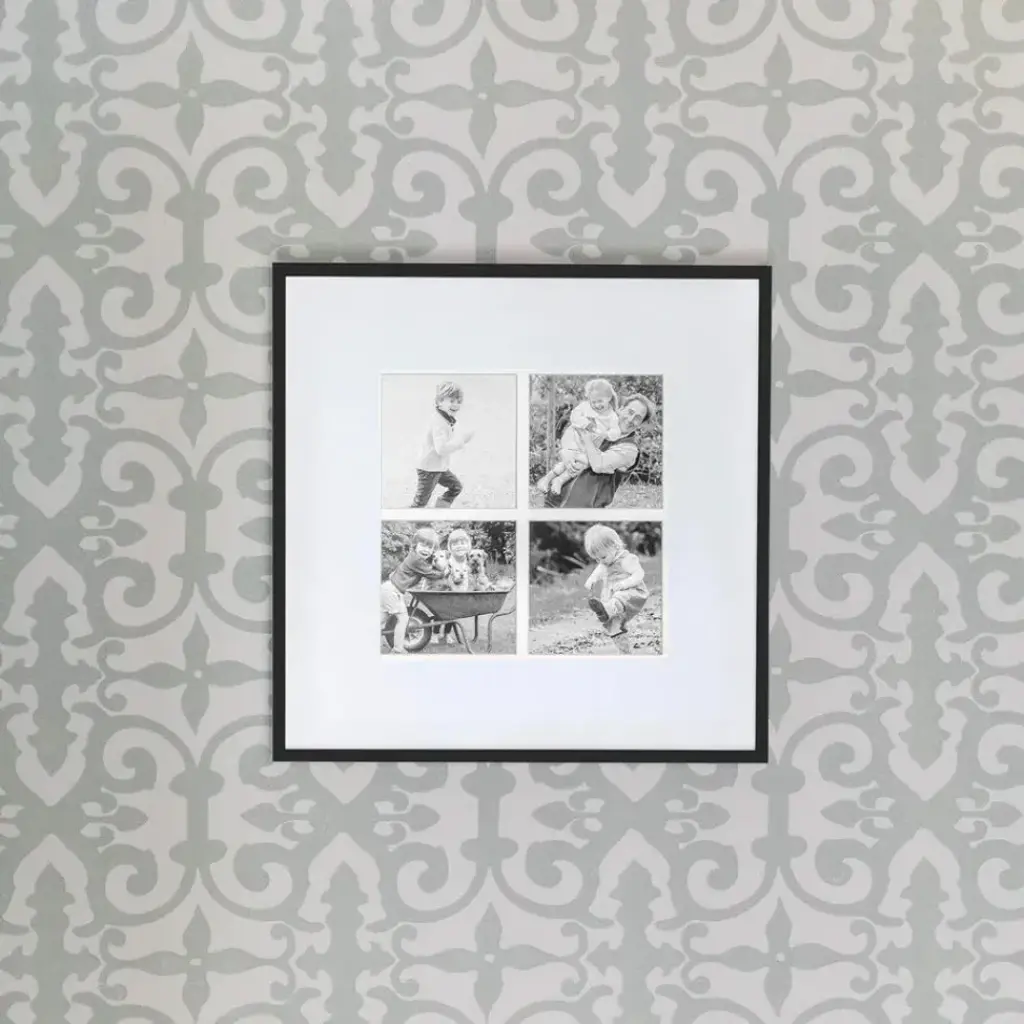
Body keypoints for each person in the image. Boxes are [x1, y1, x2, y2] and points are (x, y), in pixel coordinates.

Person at [543, 392, 657, 509]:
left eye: (638, 418)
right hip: (554, 500)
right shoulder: (603, 424)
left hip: (583, 510)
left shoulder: (629, 449)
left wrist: (586, 437)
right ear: (621, 409)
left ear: (640, 424)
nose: (630, 419)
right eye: (630, 412)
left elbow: (598, 464)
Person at [536, 378, 621, 496]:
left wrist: (606, 434)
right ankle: (547, 479)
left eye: (600, 401)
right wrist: (586, 424)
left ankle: (559, 480)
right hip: (574, 439)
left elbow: (616, 432)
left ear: (609, 398)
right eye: (594, 402)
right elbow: (574, 416)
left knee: (582, 463)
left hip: (589, 446)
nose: (597, 405)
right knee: (569, 459)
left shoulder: (612, 416)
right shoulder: (585, 407)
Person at [582, 524, 649, 655]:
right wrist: (591, 580)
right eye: (596, 559)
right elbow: (598, 571)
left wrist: (625, 584)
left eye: (603, 557)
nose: (601, 561)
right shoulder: (605, 563)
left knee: (619, 597)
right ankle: (624, 652)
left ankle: (608, 609)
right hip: (612, 597)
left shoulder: (626, 559)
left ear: (615, 546)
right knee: (613, 625)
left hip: (630, 593)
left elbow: (639, 573)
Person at [381, 527, 447, 654]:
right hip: (392, 591)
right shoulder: (416, 560)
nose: (426, 549)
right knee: (403, 619)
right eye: (423, 545)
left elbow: (429, 565)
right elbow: (431, 574)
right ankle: (397, 650)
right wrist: (444, 572)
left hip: (389, 589)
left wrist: (435, 560)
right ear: (415, 545)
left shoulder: (416, 557)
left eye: (430, 547)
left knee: (382, 617)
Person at [412, 381, 476, 508]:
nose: (456, 405)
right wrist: (461, 441)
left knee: (456, 487)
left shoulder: (445, 419)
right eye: (451, 401)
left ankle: (440, 509)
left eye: (458, 401)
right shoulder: (439, 422)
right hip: (429, 469)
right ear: (439, 402)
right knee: (420, 503)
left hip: (438, 467)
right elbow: (441, 449)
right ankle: (407, 517)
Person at [432, 528, 471, 646]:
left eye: (462, 543)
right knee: (440, 612)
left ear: (468, 545)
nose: (459, 546)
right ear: (450, 547)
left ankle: (447, 633)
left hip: (459, 592)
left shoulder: (469, 560)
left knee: (452, 613)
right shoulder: (448, 561)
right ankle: (435, 634)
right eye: (455, 544)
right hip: (444, 592)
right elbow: (442, 573)